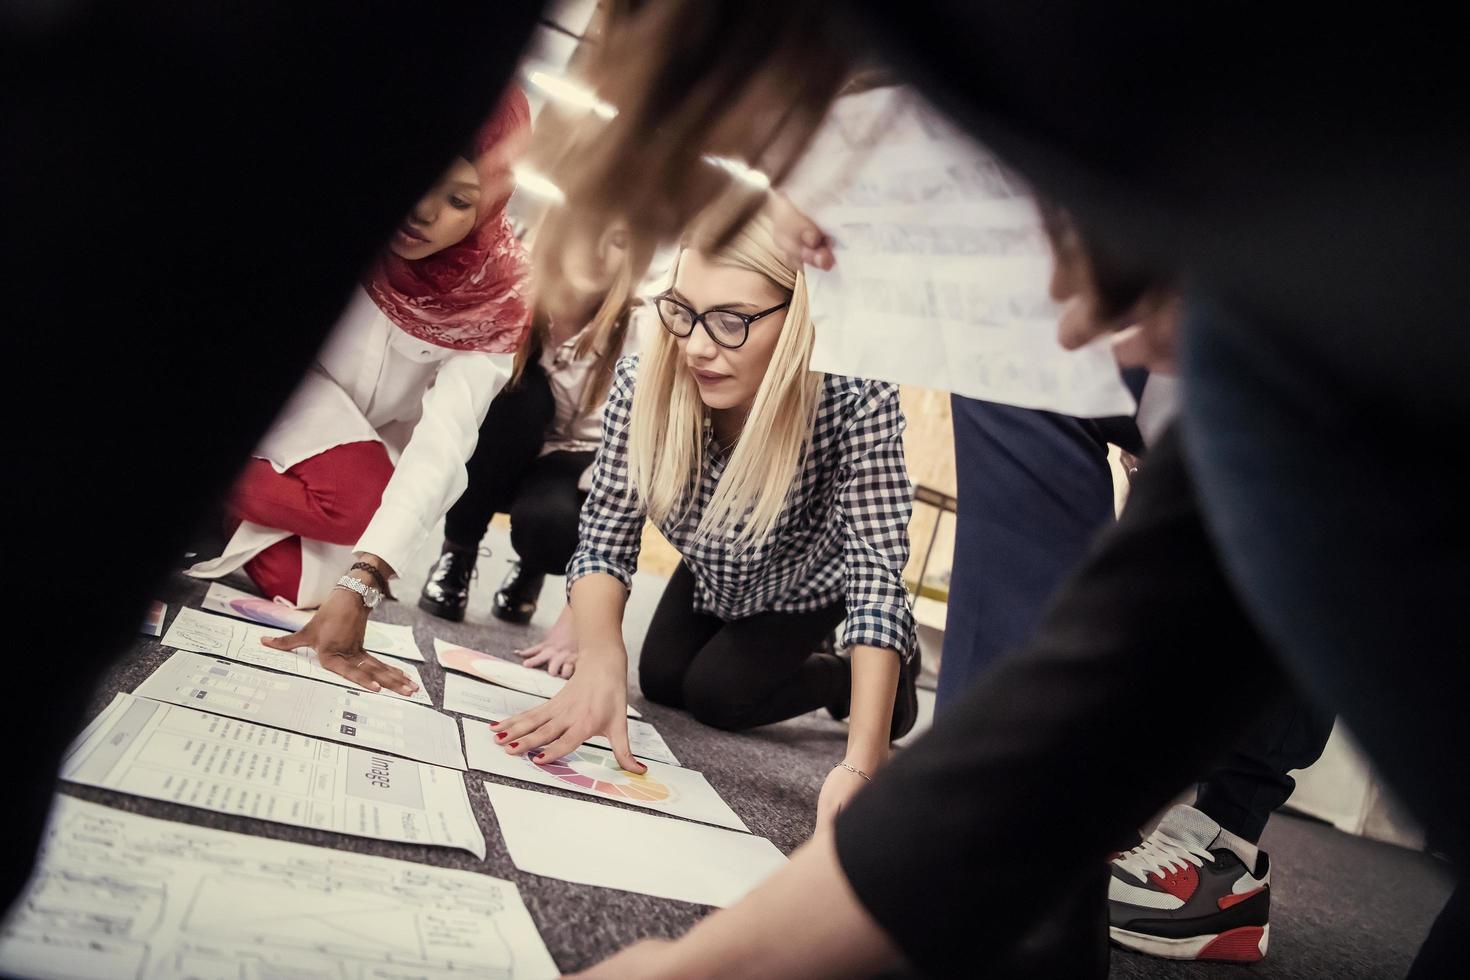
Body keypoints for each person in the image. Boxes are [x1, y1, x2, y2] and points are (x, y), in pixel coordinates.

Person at [490, 210, 922, 831]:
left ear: (799, 316)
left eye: (730, 321)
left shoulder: (858, 397)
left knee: (719, 697)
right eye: (682, 311)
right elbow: (606, 536)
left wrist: (863, 757)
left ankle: (841, 680)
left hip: (805, 587)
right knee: (662, 682)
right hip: (714, 571)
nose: (695, 345)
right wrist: (598, 661)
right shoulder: (644, 381)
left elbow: (876, 571)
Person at [185, 89, 533, 696]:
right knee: (362, 500)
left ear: (490, 206)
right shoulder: (332, 206)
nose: (424, 211)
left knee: (307, 592)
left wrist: (365, 578)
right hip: (282, 398)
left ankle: (221, 508)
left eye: (458, 200)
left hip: (354, 448)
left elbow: (445, 444)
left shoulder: (496, 298)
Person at [418, 221, 643, 636]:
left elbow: (642, 437)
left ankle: (531, 569)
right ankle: (458, 552)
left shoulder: (640, 328)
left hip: (577, 464)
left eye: (617, 241)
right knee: (514, 392)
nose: (596, 251)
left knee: (552, 524)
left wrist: (605, 475)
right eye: (586, 228)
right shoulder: (509, 293)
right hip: (506, 446)